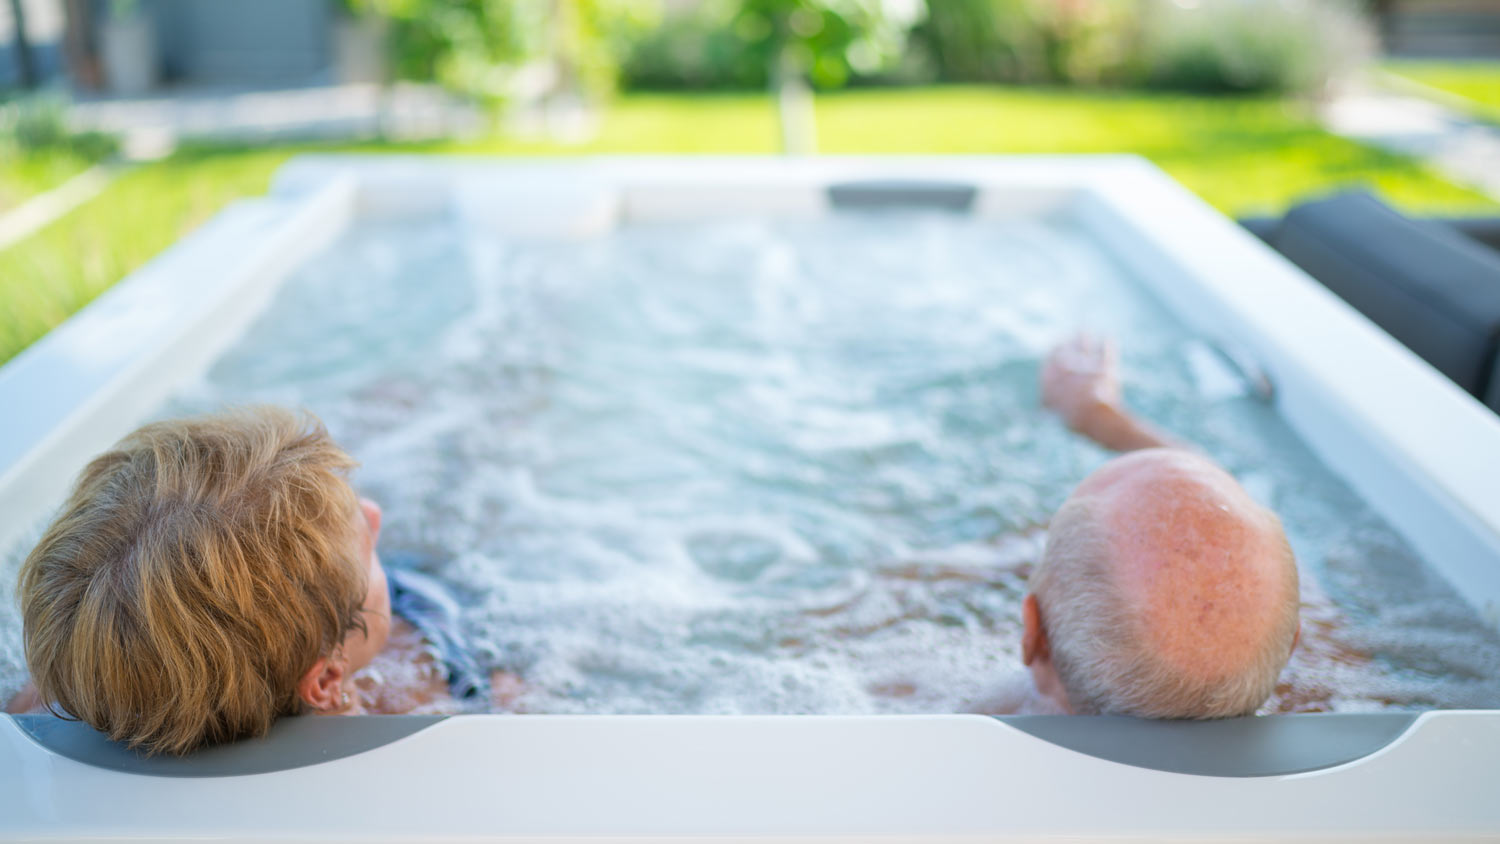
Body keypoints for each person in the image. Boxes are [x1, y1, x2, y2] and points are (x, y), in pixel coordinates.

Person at [4, 406, 505, 755]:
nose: (375, 515)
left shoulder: (59, 692)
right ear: (329, 680)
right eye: (367, 542)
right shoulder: (411, 698)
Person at [1027, 333, 1301, 717]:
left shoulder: (951, 716)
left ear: (1034, 638)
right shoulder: (1339, 702)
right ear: (1291, 645)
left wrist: (1095, 417)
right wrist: (1103, 419)